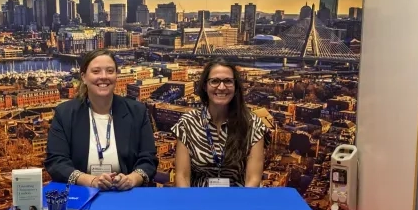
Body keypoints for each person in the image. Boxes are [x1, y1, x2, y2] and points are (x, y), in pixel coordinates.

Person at [45, 49, 158, 191]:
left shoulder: (137, 112)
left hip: (126, 194)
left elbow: (148, 160)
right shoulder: (65, 114)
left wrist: (131, 179)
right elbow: (56, 162)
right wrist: (91, 181)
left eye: (110, 71)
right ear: (84, 77)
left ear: (116, 75)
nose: (104, 77)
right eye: (96, 71)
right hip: (81, 193)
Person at [172, 58, 266, 187]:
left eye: (227, 81)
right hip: (198, 200)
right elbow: (182, 177)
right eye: (215, 81)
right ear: (205, 86)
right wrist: (190, 206)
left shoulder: (253, 124)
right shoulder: (188, 123)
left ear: (236, 86)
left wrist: (241, 206)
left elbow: (253, 179)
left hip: (238, 200)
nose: (221, 87)